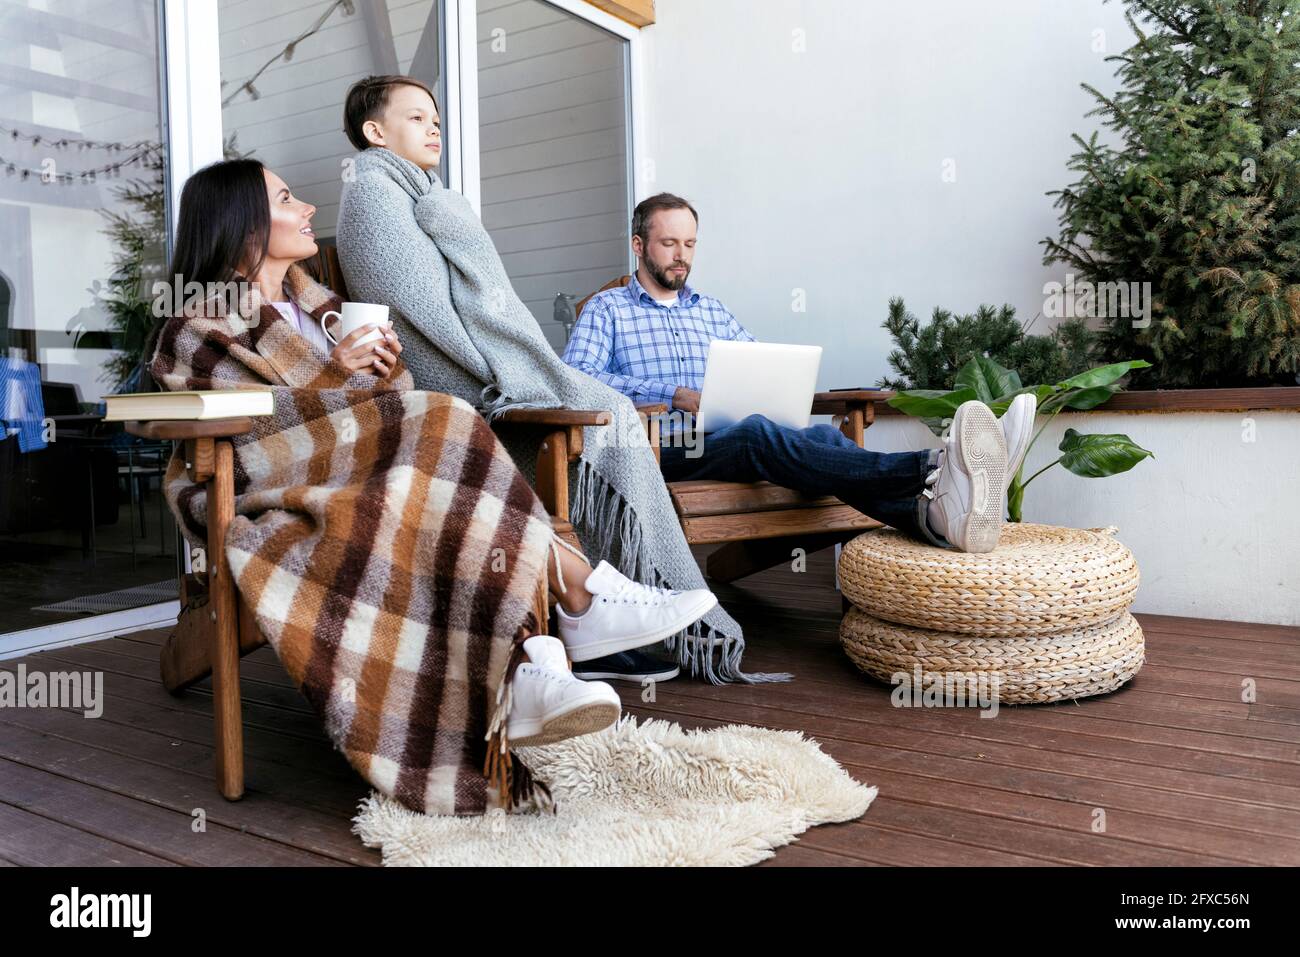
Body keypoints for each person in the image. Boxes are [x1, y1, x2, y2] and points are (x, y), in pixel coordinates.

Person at [145, 158, 719, 815]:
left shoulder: (327, 310)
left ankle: (540, 664)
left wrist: (375, 371)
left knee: (445, 457)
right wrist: (339, 375)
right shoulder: (194, 326)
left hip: (383, 475)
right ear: (240, 221)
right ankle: (579, 597)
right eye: (285, 198)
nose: (307, 207)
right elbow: (255, 433)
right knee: (449, 422)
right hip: (280, 492)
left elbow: (394, 400)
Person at [335, 75, 775, 686]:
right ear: (375, 133)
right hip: (454, 391)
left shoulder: (419, 194)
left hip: (525, 392)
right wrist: (509, 369)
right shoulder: (375, 194)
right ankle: (611, 609)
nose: (434, 126)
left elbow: (460, 297)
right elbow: (426, 313)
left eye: (436, 117)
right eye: (416, 118)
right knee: (613, 408)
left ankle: (611, 612)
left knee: (758, 432)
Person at [561, 192, 1039, 554]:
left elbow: (755, 367)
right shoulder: (607, 310)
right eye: (669, 243)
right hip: (661, 448)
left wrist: (770, 388)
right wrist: (674, 394)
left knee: (824, 441)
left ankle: (933, 516)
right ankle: (934, 468)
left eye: (689, 243)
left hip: (730, 438)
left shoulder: (712, 310)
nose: (681, 254)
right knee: (756, 435)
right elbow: (575, 383)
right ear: (638, 245)